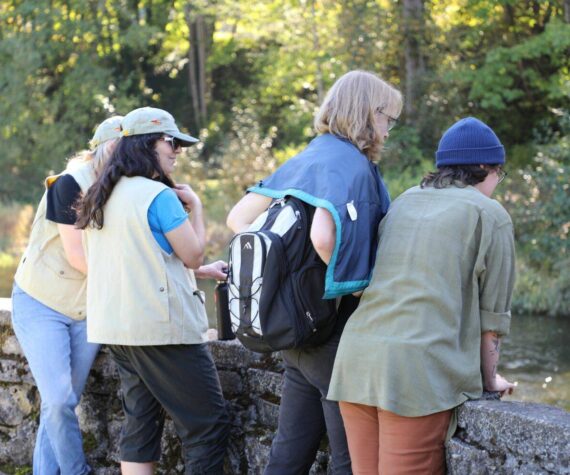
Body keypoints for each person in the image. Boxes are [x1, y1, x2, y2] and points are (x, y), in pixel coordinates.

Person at [227, 70, 403, 474]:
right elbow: (324, 236)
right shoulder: (351, 164)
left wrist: (291, 275)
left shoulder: (307, 155)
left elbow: (238, 219)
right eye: (387, 119)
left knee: (289, 453)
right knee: (351, 459)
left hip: (296, 328)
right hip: (332, 333)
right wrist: (356, 291)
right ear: (367, 114)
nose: (389, 130)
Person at [328, 117, 516, 475]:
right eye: (498, 174)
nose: (497, 184)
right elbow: (493, 317)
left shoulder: (405, 201)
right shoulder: (491, 215)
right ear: (483, 168)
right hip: (415, 374)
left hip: (356, 362)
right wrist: (491, 379)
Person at [76, 107, 229, 475]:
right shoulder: (158, 197)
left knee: (141, 425)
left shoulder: (100, 194)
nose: (178, 150)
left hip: (116, 328)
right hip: (161, 329)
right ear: (148, 144)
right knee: (208, 426)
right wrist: (196, 207)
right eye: (171, 142)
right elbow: (192, 255)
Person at [12, 116, 123, 475]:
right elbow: (79, 258)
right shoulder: (69, 184)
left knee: (60, 404)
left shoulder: (124, 187)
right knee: (59, 399)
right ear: (109, 149)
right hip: (41, 303)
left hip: (86, 309)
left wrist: (195, 270)